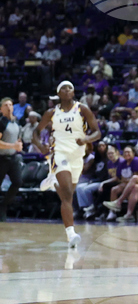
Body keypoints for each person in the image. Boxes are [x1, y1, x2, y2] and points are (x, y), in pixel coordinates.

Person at [33, 81, 101, 247]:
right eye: (63, 87)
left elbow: (97, 132)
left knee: (67, 195)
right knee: (68, 194)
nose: (67, 89)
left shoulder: (82, 108)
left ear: (73, 92)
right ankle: (71, 234)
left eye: (70, 87)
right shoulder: (51, 112)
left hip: (77, 156)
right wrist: (41, 146)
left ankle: (53, 179)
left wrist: (86, 139)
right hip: (60, 153)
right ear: (59, 93)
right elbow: (36, 132)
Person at [0, 96, 24, 221]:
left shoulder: (17, 122)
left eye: (10, 105)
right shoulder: (1, 122)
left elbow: (17, 138)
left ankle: (3, 206)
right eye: (6, 105)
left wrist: (19, 144)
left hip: (13, 158)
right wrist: (13, 145)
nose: (9, 107)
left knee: (18, 182)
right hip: (1, 158)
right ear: (1, 109)